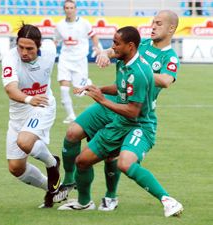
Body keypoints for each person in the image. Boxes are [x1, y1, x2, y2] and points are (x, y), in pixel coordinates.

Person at [54, 10, 181, 213]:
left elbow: (165, 80)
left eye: (158, 23)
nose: (153, 26)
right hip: (112, 102)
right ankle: (71, 183)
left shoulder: (169, 57)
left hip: (133, 111)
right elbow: (116, 51)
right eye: (152, 22)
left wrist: (140, 68)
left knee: (116, 159)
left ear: (171, 28)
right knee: (73, 133)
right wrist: (105, 54)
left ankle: (111, 196)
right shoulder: (141, 44)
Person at [1, 23, 60, 208]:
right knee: (16, 168)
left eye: (29, 48)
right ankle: (52, 191)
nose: (24, 52)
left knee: (25, 142)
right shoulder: (10, 58)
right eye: (20, 47)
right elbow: (11, 90)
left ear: (39, 46)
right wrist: (28, 99)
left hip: (42, 105)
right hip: (20, 112)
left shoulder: (50, 49)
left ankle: (53, 164)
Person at [54, 0, 101, 124]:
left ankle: (87, 82)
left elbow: (94, 36)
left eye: (71, 7)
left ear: (75, 9)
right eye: (67, 8)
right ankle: (71, 116)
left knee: (79, 92)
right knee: (64, 89)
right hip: (64, 60)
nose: (69, 10)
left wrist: (96, 47)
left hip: (80, 60)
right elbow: (56, 41)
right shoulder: (59, 25)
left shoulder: (84, 23)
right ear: (64, 9)